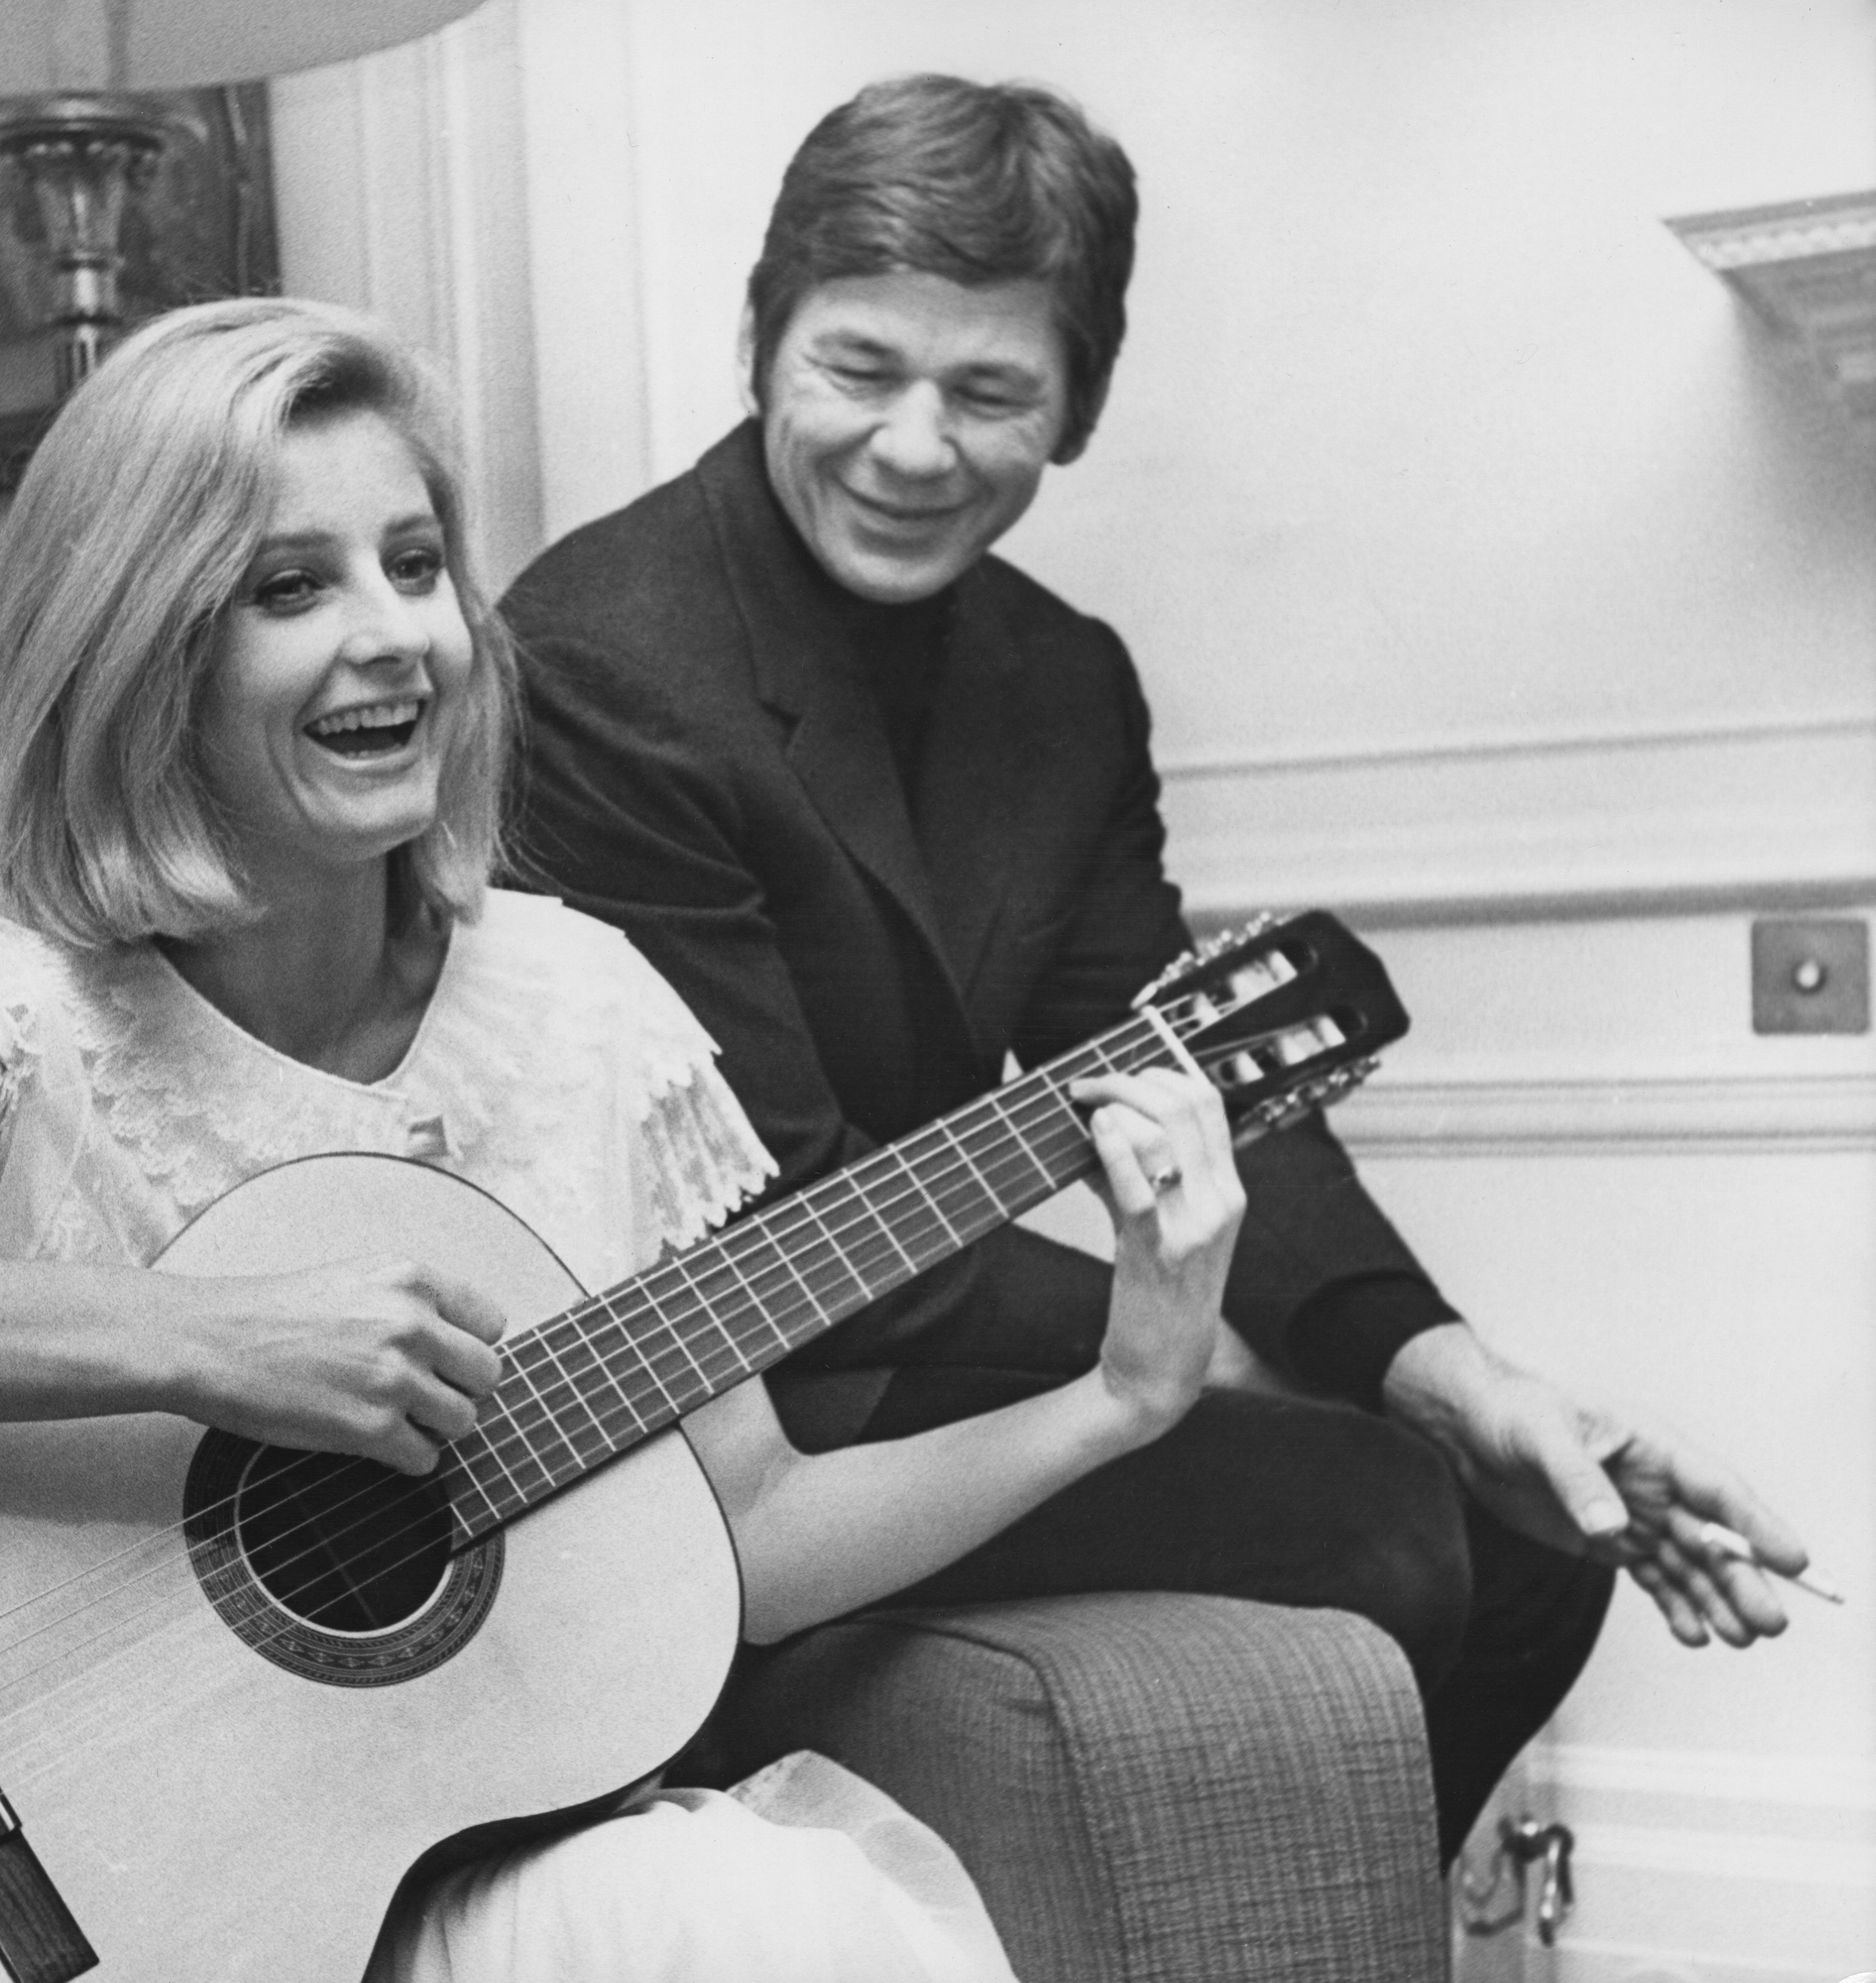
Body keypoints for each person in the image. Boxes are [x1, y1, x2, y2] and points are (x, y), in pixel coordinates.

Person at [0, 297, 1247, 1983]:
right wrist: (209, 1343)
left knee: (768, 1925)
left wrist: (1121, 1398)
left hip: (413, 1885)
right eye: (287, 586)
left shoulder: (579, 1003)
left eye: (415, 566)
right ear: (144, 644)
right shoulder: (9, 1011)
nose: (393, 631)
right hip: (108, 1897)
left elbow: (754, 1528)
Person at [501, 73, 1817, 1864]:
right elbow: (773, 1248)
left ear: (1080, 407)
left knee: (1523, 1531)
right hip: (724, 1416)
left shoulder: (1065, 679)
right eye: (858, 367)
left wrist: (1452, 1371)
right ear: (761, 339)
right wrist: (1193, 1360)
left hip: (917, 1313)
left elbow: (1193, 1076)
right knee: (1395, 1530)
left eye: (990, 392)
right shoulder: (604, 661)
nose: (912, 446)